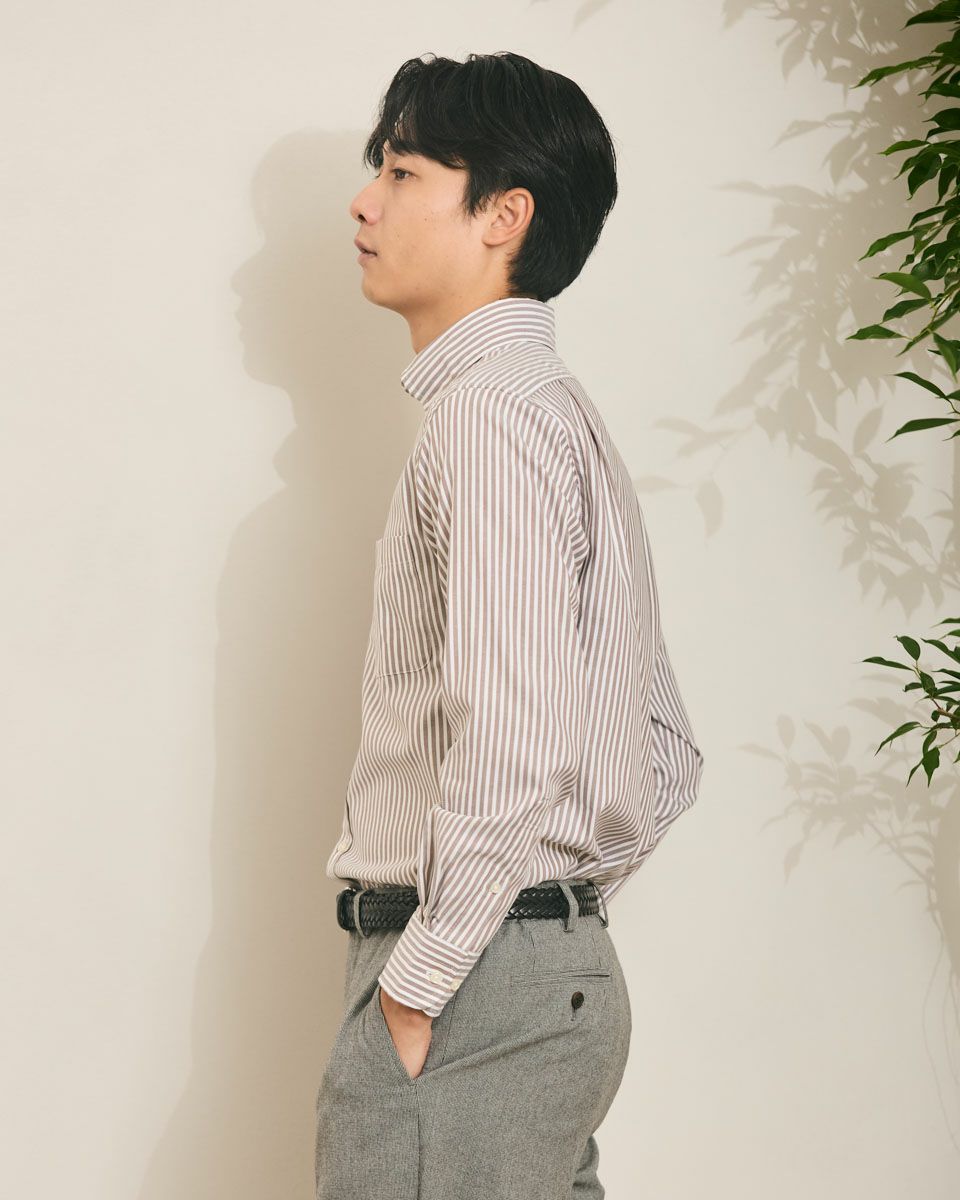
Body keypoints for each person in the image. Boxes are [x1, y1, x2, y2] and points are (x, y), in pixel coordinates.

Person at [315, 50, 705, 1200]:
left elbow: (516, 734)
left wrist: (426, 976)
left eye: (402, 172)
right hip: (532, 979)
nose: (364, 202)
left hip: (463, 985)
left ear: (504, 215)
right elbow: (666, 754)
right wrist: (554, 917)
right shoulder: (555, 417)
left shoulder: (486, 421)